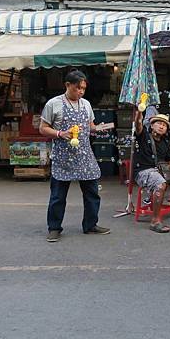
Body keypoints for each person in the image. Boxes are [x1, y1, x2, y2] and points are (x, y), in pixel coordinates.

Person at [39, 70, 110, 243]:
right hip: (63, 157)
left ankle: (91, 225)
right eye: (77, 88)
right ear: (67, 85)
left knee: (92, 193)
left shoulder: (86, 104)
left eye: (83, 89)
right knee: (58, 196)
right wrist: (59, 133)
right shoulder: (53, 104)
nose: (81, 92)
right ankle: (54, 228)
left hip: (85, 156)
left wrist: (99, 128)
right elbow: (42, 128)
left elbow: (90, 126)